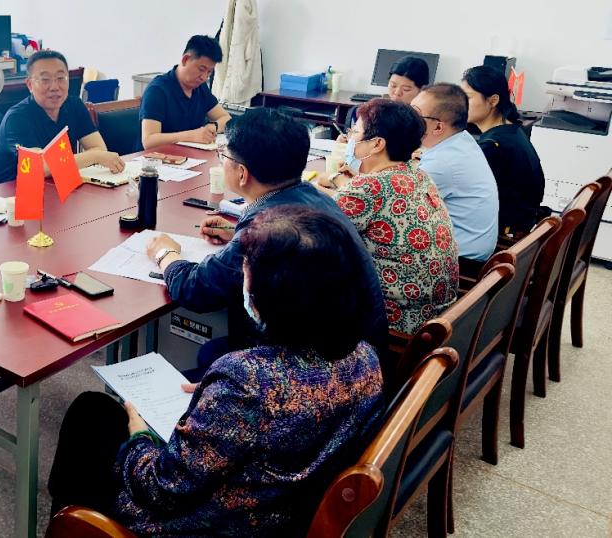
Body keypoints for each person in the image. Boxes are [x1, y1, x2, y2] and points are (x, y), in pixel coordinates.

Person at [49, 206, 385, 536]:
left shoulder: (245, 382)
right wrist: (216, 395)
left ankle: (71, 527)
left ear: (270, 297)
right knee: (99, 413)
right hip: (286, 505)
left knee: (90, 415)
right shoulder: (365, 358)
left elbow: (161, 489)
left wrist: (139, 438)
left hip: (214, 523)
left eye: (247, 269)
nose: (243, 277)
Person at [146, 109, 386, 369]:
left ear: (242, 173)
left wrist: (166, 254)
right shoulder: (313, 198)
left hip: (315, 371)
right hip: (358, 356)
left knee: (212, 354)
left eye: (224, 155)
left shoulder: (265, 224)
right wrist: (237, 236)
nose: (222, 161)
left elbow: (195, 290)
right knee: (212, 351)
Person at [318, 98, 459, 334]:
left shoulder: (369, 188)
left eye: (355, 132)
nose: (350, 138)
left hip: (399, 322)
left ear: (377, 144)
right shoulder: (418, 175)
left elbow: (318, 233)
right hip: (439, 315)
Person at [0, 50, 124, 184]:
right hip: (13, 192)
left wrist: (96, 155)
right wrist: (94, 156)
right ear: (30, 85)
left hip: (56, 186)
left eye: (60, 78)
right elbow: (39, 166)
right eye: (45, 80)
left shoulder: (74, 105)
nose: (54, 87)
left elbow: (99, 148)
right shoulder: (16, 118)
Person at [411, 83, 499, 262]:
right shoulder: (462, 139)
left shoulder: (442, 164)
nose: (407, 119)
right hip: (471, 248)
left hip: (459, 262)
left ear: (438, 128)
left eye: (415, 115)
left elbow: (395, 206)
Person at [462, 65, 545, 237]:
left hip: (502, 234)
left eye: (467, 98)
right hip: (522, 223)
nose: (461, 104)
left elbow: (466, 195)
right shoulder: (513, 131)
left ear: (493, 101)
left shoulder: (494, 145)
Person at [140, 35, 232, 150]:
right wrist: (190, 136)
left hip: (190, 155)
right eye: (201, 69)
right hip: (155, 158)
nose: (204, 77)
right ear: (185, 60)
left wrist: (213, 126)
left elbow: (225, 117)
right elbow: (148, 141)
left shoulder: (200, 88)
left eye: (209, 72)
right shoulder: (157, 90)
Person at [340, 55, 431, 135]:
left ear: (422, 89)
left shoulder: (426, 119)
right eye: (393, 86)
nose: (397, 92)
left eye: (406, 89)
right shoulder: (378, 112)